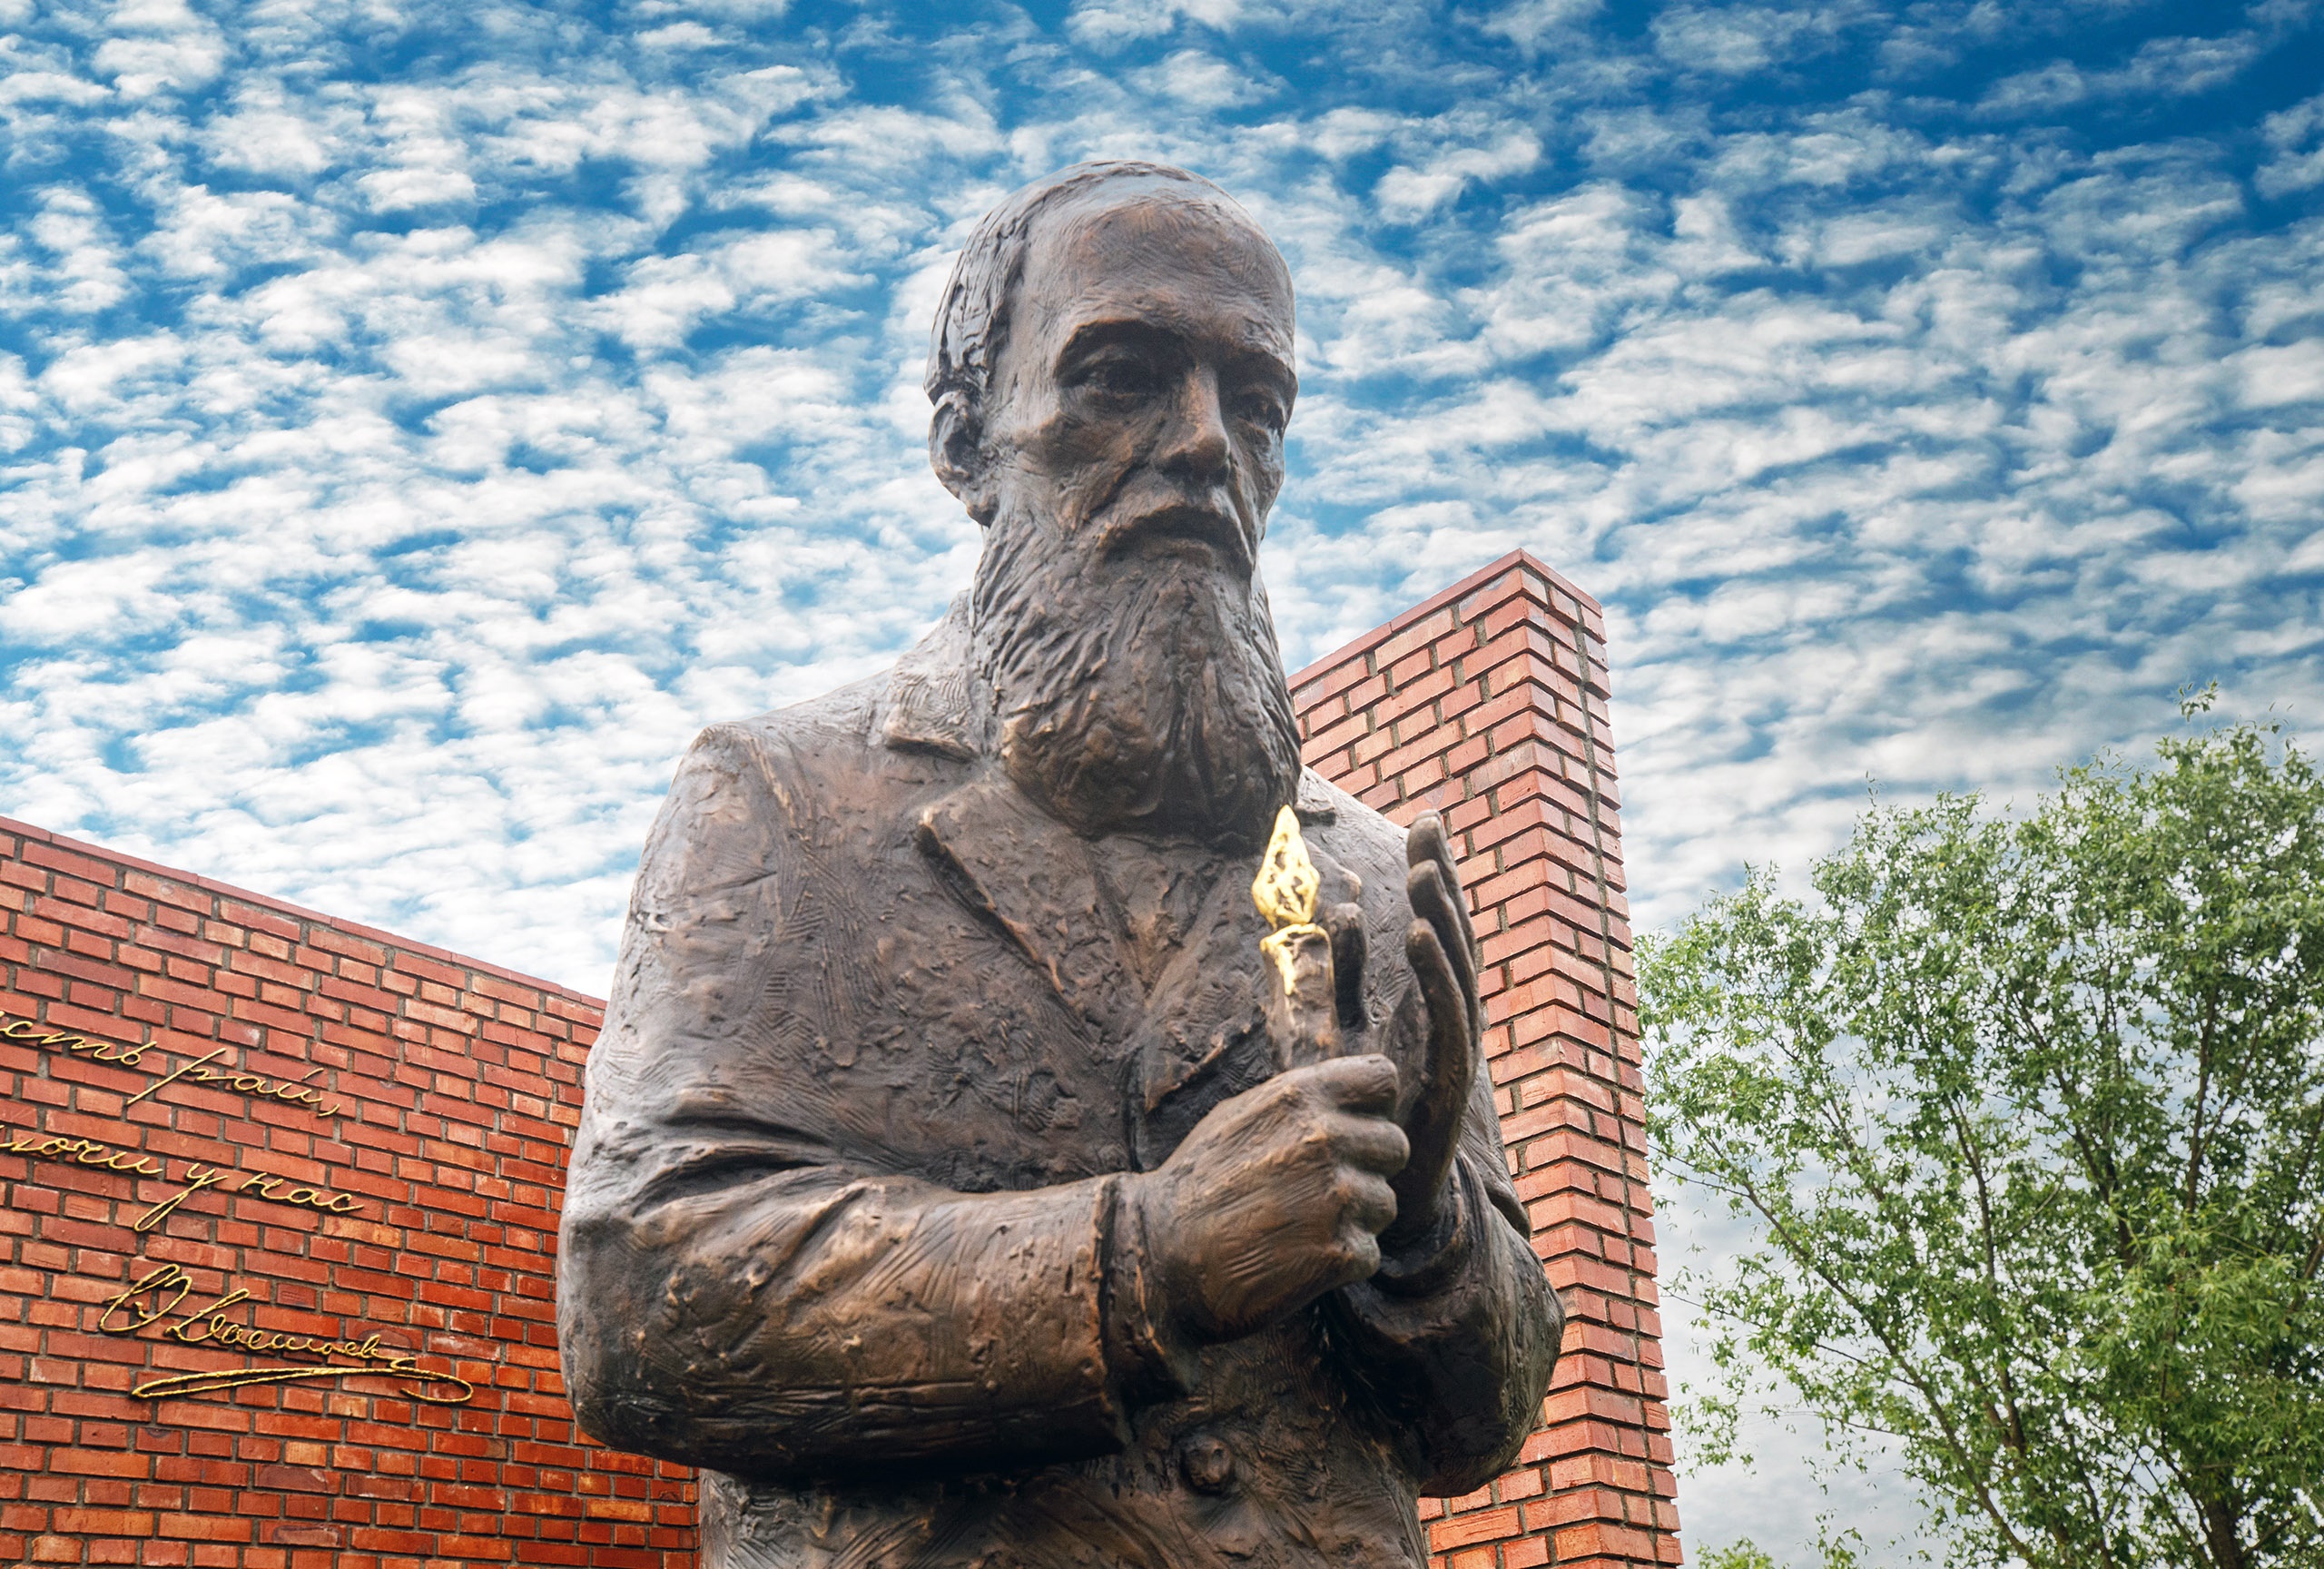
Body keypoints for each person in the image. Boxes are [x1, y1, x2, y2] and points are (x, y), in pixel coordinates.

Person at [556, 161, 1561, 1569]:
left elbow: (1484, 1424)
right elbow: (640, 1297)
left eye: (1256, 403)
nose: (1207, 442)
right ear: (967, 445)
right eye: (1124, 376)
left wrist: (1427, 1232)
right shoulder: (784, 799)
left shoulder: (1373, 881)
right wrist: (1153, 1255)